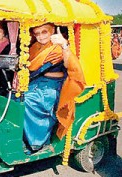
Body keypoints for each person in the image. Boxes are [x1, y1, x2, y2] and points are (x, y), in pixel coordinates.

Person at [23, 23, 85, 153]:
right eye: (37, 33)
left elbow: (70, 65)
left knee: (28, 100)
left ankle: (38, 142)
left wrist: (64, 45)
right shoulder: (34, 47)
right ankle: (25, 137)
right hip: (35, 83)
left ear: (52, 31)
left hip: (52, 87)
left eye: (44, 32)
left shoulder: (59, 46)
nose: (40, 36)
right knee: (13, 98)